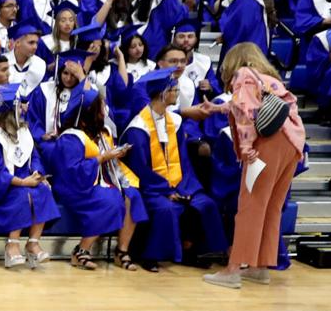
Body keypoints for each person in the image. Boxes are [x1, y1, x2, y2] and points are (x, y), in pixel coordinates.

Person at [204, 43, 305, 289]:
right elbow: (256, 106)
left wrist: (247, 146)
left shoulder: (243, 74)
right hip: (292, 143)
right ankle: (260, 266)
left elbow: (245, 112)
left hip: (267, 143)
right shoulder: (270, 79)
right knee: (272, 207)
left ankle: (233, 269)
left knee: (250, 206)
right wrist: (218, 108)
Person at [122, 68, 228, 271]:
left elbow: (183, 161)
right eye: (174, 90)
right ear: (163, 94)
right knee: (166, 208)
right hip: (150, 187)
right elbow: (140, 169)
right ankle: (151, 256)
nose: (177, 94)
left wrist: (185, 188)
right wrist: (167, 190)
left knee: (205, 203)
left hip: (178, 182)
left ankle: (193, 251)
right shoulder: (138, 128)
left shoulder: (175, 122)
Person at [51, 88, 147, 271]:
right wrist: (102, 158)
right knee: (111, 200)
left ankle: (121, 251)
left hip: (99, 179)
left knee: (133, 196)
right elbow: (72, 173)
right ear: (91, 111)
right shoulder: (71, 138)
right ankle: (81, 250)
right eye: (102, 106)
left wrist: (115, 153)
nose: (105, 110)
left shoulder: (101, 132)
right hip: (75, 187)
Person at [0, 83, 61, 269]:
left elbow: (35, 156)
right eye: (19, 107)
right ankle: (12, 245)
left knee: (43, 190)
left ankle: (33, 243)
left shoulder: (23, 132)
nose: (23, 110)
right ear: (9, 112)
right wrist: (22, 182)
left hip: (27, 180)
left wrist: (37, 174)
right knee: (23, 195)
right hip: (5, 186)